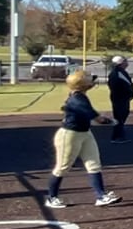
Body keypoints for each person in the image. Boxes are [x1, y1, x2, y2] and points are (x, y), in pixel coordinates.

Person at [44, 70, 119, 208]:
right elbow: (97, 118)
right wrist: (110, 121)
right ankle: (51, 198)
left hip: (85, 133)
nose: (92, 82)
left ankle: (101, 196)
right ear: (82, 84)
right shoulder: (77, 99)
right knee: (62, 167)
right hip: (70, 135)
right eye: (89, 80)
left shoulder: (81, 96)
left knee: (94, 164)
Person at [106, 55, 133, 141]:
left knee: (121, 116)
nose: (127, 62)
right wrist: (129, 94)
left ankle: (118, 134)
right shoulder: (118, 73)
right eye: (125, 61)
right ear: (121, 63)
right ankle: (117, 137)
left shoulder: (118, 72)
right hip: (120, 98)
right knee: (120, 117)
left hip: (119, 98)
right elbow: (126, 85)